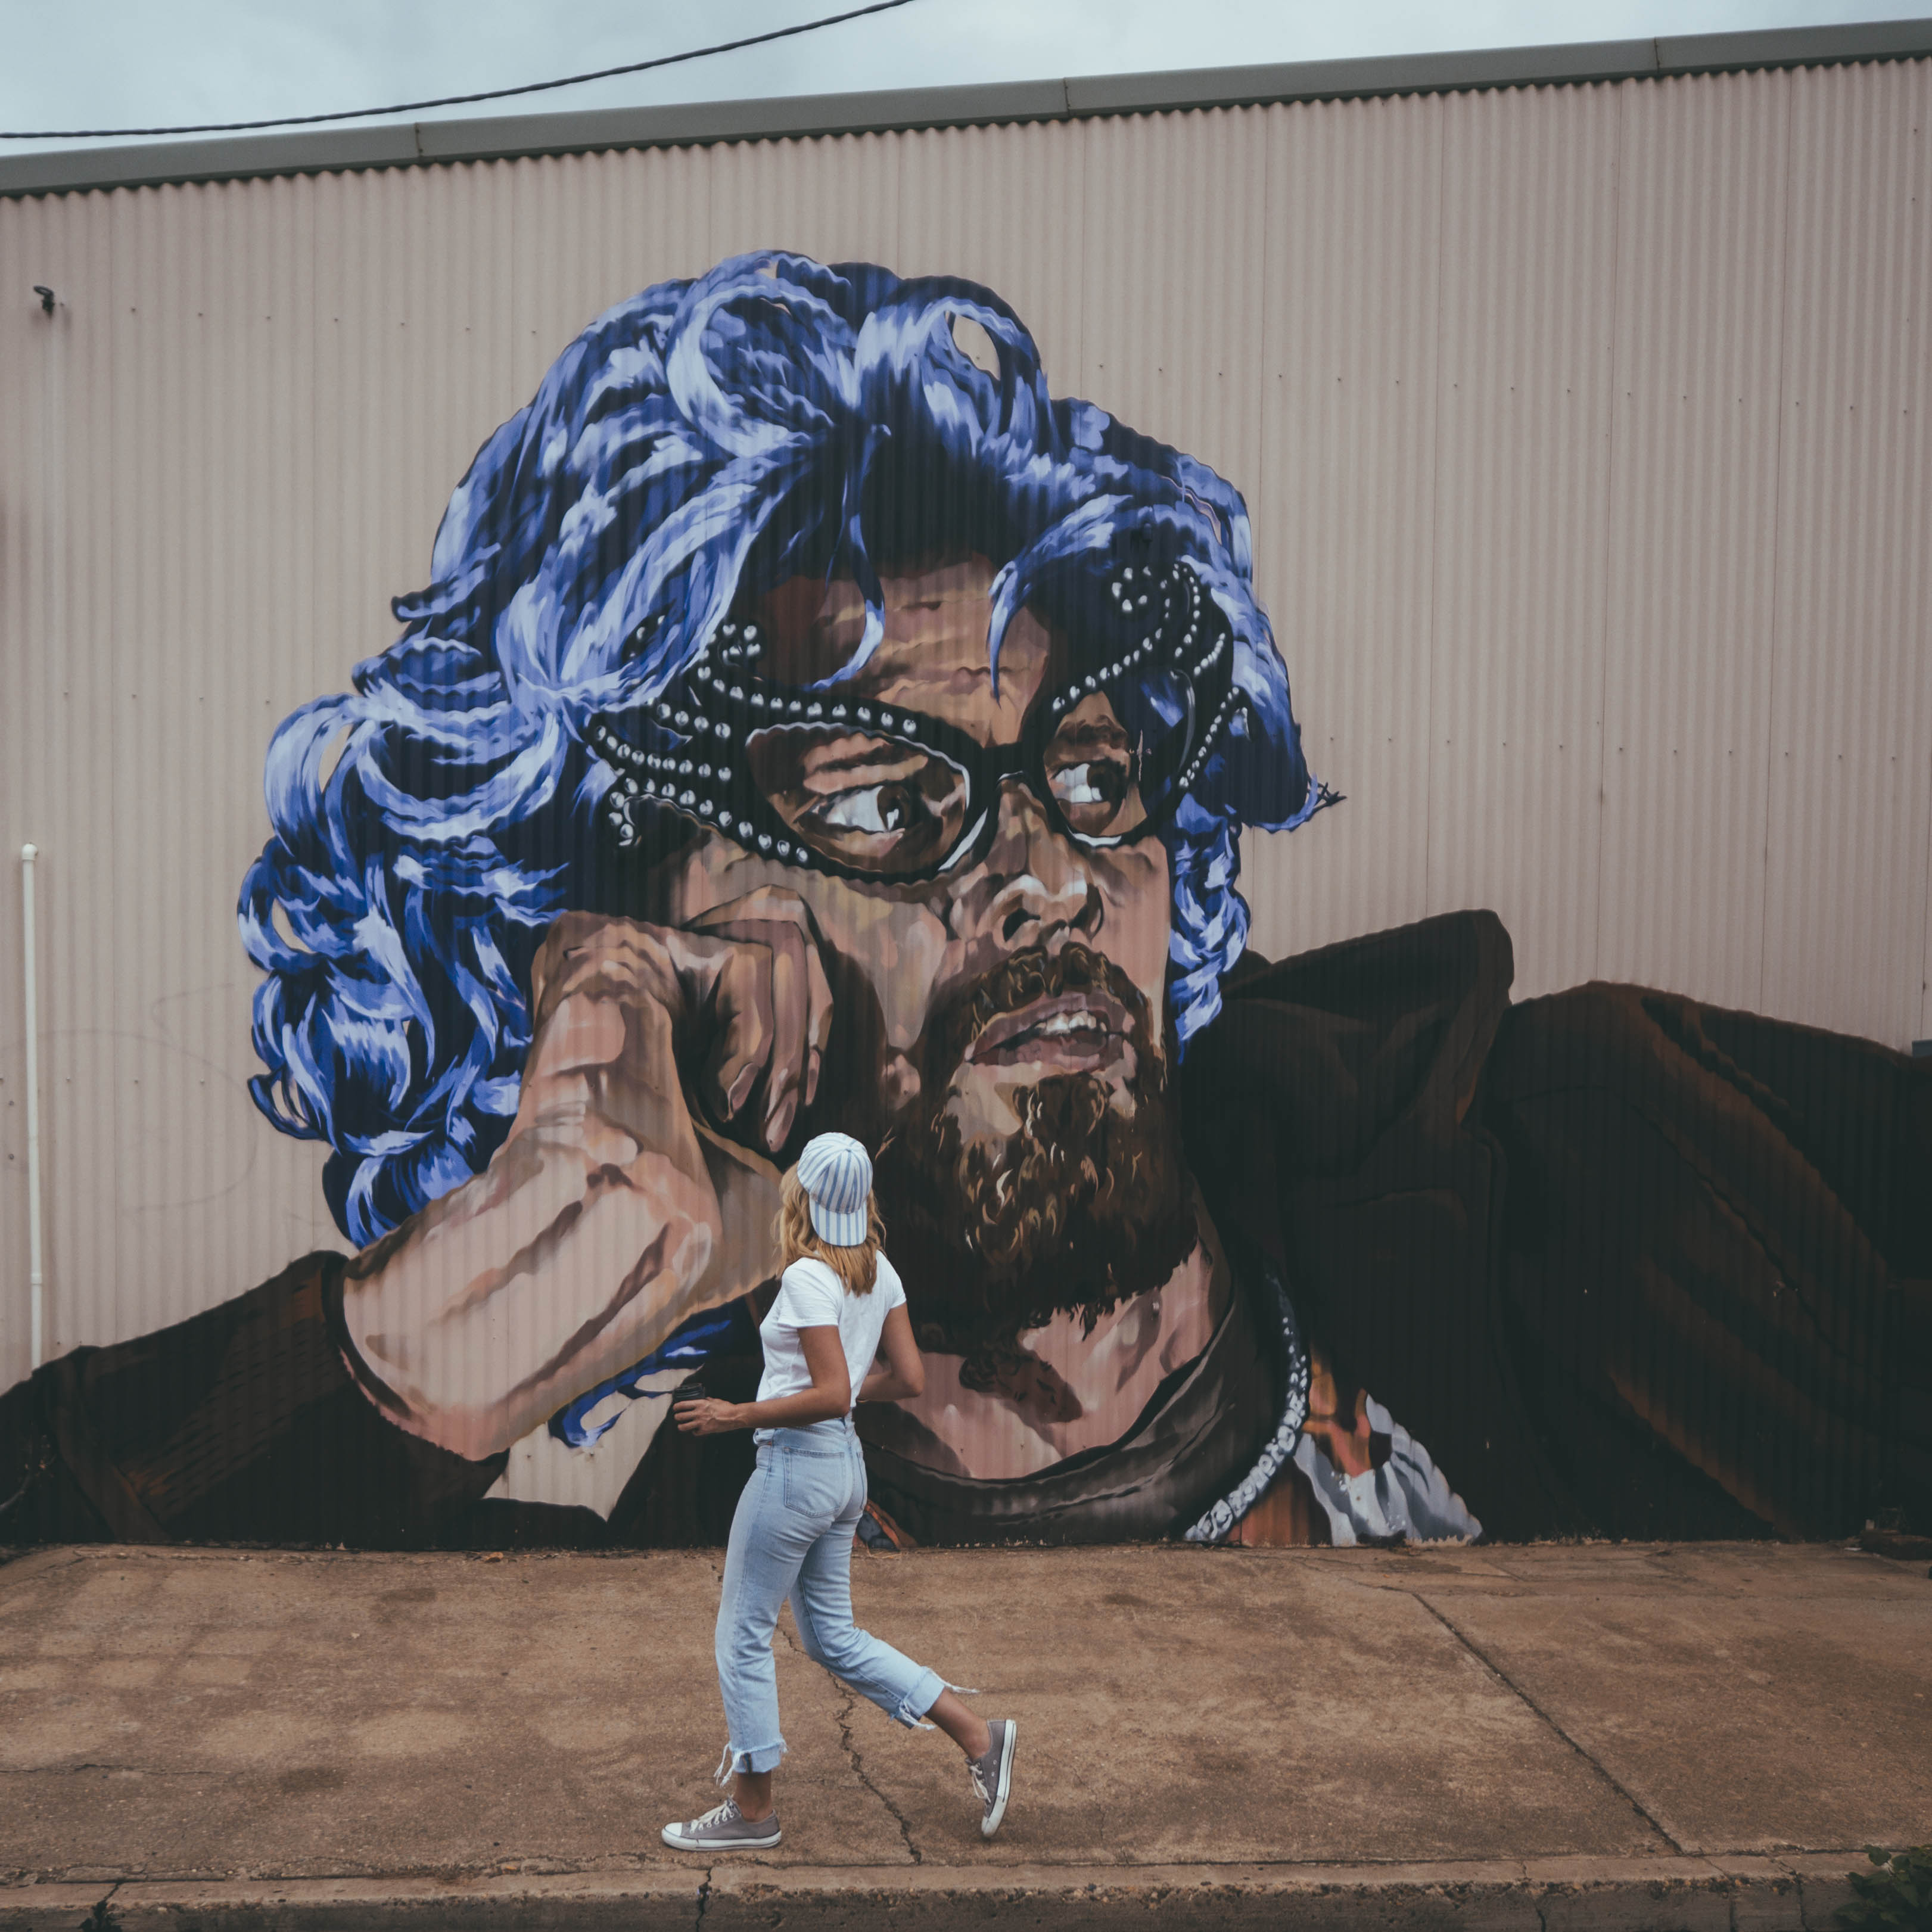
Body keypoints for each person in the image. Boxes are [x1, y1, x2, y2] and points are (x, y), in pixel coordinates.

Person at [0, 253, 1922, 1552]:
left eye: (1096, 775)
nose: (1049, 871)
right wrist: (422, 1358)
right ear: (640, 942)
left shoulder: (1617, 1176)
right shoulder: (656, 1625)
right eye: (887, 797)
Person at [661, 1132, 1016, 1851]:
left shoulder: (806, 1279)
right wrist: (845, 1388)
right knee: (831, 1637)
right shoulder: (878, 1272)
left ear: (802, 1198)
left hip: (795, 1471)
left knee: (742, 1633)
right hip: (844, 1470)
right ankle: (980, 1736)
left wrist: (739, 1414)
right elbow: (907, 1378)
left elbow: (827, 1392)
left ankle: (753, 1813)